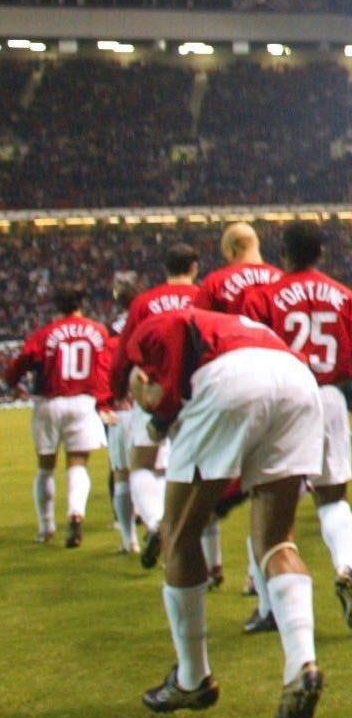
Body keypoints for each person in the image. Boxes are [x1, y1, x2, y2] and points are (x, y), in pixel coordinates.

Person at [126, 305, 324, 718]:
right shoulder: (229, 325)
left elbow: (166, 375)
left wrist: (157, 414)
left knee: (179, 537)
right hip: (297, 380)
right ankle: (301, 664)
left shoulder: (151, 332)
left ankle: (193, 679)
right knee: (277, 539)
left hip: (233, 382)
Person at [239, 221, 352, 633]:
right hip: (330, 396)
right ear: (321, 253)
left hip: (283, 397)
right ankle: (346, 566)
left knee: (271, 506)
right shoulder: (345, 296)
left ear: (285, 254)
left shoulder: (263, 297)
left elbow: (252, 355)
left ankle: (269, 607)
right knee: (333, 499)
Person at [109, 243, 210, 567]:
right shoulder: (206, 297)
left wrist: (114, 389)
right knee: (186, 468)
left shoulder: (144, 302)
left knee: (142, 465)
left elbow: (126, 353)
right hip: (199, 394)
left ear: (164, 268)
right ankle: (192, 541)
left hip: (153, 392)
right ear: (194, 267)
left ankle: (154, 523)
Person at [4, 287, 111, 547]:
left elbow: (22, 361)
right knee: (77, 463)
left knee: (45, 467)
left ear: (57, 307)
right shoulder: (98, 331)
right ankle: (76, 513)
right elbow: (106, 367)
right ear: (81, 304)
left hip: (49, 403)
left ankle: (46, 527)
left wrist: (12, 381)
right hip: (84, 402)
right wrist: (106, 401)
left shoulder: (45, 333)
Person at [105, 270, 144, 553]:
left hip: (123, 407)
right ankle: (157, 523)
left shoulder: (111, 329)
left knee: (121, 472)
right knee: (156, 469)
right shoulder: (152, 319)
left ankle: (129, 540)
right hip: (152, 404)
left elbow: (110, 367)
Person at [198, 222, 286, 314]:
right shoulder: (283, 279)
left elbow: (198, 321)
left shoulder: (215, 283)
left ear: (231, 251)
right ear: (257, 244)